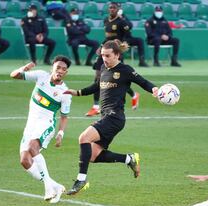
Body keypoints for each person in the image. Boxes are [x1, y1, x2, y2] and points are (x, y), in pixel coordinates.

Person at [64, 40, 159, 195]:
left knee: (84, 138)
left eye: (107, 55)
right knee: (93, 156)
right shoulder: (103, 68)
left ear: (117, 55)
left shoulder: (125, 70)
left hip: (115, 117)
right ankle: (129, 159)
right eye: (102, 55)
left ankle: (81, 180)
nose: (104, 59)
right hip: (107, 116)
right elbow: (96, 86)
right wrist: (77, 92)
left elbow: (143, 82)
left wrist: (154, 89)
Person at [9, 55, 72, 204]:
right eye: (58, 68)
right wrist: (25, 68)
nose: (60, 71)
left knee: (32, 147)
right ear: (53, 68)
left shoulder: (65, 93)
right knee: (25, 160)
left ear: (66, 72)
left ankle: (48, 187)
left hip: (46, 123)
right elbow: (14, 75)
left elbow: (64, 116)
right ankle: (56, 186)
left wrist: (60, 133)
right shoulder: (41, 76)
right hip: (30, 124)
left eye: (64, 69)